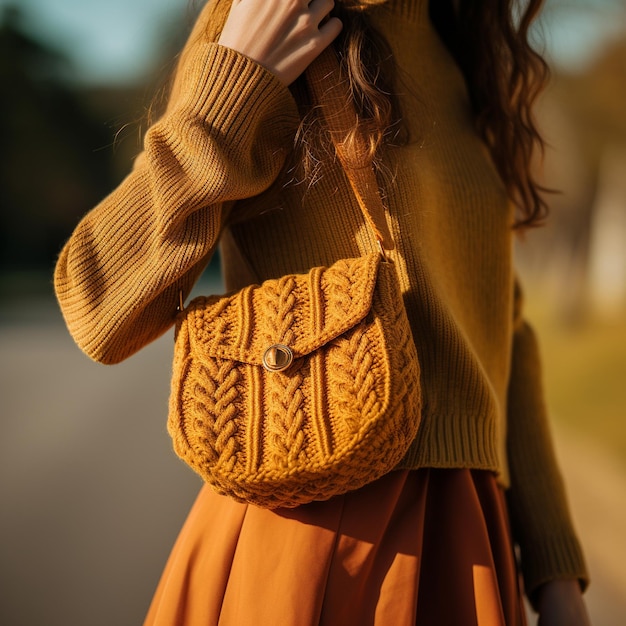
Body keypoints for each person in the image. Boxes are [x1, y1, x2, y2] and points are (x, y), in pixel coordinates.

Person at [54, 0, 592, 624]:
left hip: (470, 537)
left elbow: (503, 326)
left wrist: (556, 574)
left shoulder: (457, 41)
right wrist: (231, 90)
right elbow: (99, 306)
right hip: (314, 539)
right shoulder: (278, 13)